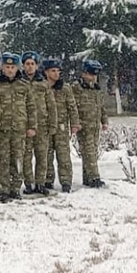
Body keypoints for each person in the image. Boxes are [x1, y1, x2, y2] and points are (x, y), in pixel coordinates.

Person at [0, 53, 37, 203]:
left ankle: (15, 188)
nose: (10, 70)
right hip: (1, 130)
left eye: (13, 67)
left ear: (17, 68)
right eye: (7, 67)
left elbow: (31, 107)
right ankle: (3, 190)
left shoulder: (24, 86)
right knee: (1, 161)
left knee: (18, 160)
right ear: (2, 67)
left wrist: (32, 126)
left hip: (19, 130)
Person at [21, 51, 58, 196]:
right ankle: (29, 184)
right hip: (25, 125)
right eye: (27, 64)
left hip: (42, 125)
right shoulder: (19, 83)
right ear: (23, 66)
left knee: (42, 156)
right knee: (26, 157)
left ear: (36, 66)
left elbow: (51, 105)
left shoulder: (43, 83)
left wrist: (53, 124)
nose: (30, 66)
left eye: (32, 64)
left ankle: (40, 183)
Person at [43, 58, 80, 193]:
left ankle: (66, 181)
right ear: (46, 72)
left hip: (61, 126)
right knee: (46, 155)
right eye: (53, 71)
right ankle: (47, 180)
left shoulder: (65, 88)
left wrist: (74, 123)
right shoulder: (41, 87)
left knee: (63, 155)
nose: (56, 73)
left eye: (58, 71)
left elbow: (72, 106)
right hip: (45, 126)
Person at [74, 59, 108, 188]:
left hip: (94, 126)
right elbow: (72, 107)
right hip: (83, 125)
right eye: (90, 74)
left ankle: (87, 177)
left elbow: (101, 107)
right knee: (89, 152)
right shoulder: (76, 87)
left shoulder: (96, 89)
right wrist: (75, 122)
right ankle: (94, 177)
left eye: (95, 74)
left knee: (91, 151)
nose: (93, 77)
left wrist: (104, 121)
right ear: (84, 73)